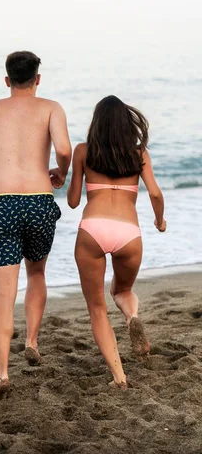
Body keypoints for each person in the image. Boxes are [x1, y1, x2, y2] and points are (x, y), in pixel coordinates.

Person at [0, 51, 72, 398]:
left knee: (3, 294)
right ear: (37, 79)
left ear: (6, 80)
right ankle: (31, 341)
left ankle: (1, 374)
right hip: (40, 203)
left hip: (3, 205)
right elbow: (64, 148)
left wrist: (2, 158)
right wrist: (60, 170)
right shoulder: (51, 107)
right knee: (37, 274)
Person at [67, 95, 166, 390]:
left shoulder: (83, 151)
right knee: (122, 289)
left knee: (97, 308)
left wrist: (64, 180)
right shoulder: (139, 154)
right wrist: (159, 221)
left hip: (93, 231)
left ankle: (119, 377)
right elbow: (156, 194)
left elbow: (73, 202)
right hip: (128, 233)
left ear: (96, 123)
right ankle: (132, 315)